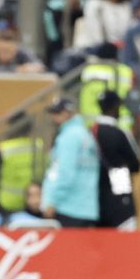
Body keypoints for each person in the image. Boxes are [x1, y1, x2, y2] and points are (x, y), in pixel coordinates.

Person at [40, 96, 98, 227]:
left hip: (68, 206)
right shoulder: (85, 134)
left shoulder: (69, 137)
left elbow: (65, 173)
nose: (53, 117)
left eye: (57, 113)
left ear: (67, 113)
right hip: (86, 206)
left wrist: (52, 201)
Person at [92, 92, 140, 229]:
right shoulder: (119, 133)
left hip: (96, 193)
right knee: (125, 224)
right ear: (116, 106)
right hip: (119, 186)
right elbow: (135, 165)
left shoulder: (91, 131)